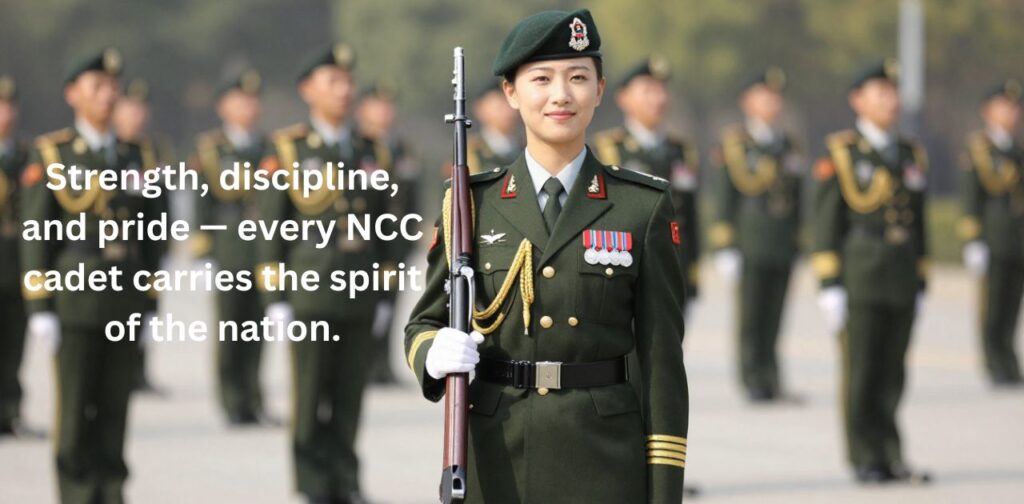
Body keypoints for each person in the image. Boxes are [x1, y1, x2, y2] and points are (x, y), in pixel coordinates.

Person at [405, 9, 689, 503]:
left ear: (599, 92)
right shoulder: (471, 205)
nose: (561, 94)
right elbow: (423, 324)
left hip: (605, 461)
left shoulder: (640, 206)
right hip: (498, 458)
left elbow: (662, 362)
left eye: (578, 78)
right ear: (511, 93)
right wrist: (434, 355)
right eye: (541, 79)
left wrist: (663, 491)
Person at [20, 47, 162, 504]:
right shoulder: (54, 154)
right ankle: (77, 492)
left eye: (112, 89)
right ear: (72, 94)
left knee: (116, 407)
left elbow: (153, 235)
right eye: (96, 88)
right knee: (77, 407)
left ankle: (111, 490)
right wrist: (41, 306)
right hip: (76, 297)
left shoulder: (138, 154)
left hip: (124, 295)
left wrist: (152, 299)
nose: (107, 96)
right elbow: (37, 236)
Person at [257, 43, 390, 504]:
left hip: (359, 292)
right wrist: (275, 298)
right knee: (311, 394)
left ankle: (345, 478)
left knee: (351, 396)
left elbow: (386, 229)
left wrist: (387, 294)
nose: (344, 90)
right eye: (333, 81)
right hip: (311, 293)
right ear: (307, 90)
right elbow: (271, 229)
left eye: (348, 81)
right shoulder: (288, 150)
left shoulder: (370, 150)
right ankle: (313, 482)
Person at [812, 59, 931, 484]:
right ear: (858, 101)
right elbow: (826, 223)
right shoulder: (841, 152)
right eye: (880, 93)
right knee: (861, 371)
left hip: (900, 275)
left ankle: (891, 452)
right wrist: (829, 284)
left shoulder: (909, 153)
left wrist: (921, 277)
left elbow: (919, 221)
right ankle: (864, 455)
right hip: (860, 277)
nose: (890, 101)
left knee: (893, 371)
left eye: (893, 93)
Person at [710, 67, 803, 402]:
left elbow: (796, 197)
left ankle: (772, 376)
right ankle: (752, 378)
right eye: (765, 96)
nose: (772, 103)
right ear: (747, 102)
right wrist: (725, 244)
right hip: (750, 237)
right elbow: (725, 195)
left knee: (776, 314)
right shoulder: (736, 144)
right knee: (751, 315)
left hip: (781, 239)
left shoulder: (787, 144)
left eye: (776, 97)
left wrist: (800, 238)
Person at [192, 69, 275, 424]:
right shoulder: (211, 149)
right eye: (240, 100)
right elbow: (202, 203)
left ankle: (254, 400)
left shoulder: (269, 147)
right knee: (230, 328)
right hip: (227, 248)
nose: (248, 106)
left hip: (261, 249)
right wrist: (203, 251)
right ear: (223, 106)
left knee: (258, 329)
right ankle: (231, 400)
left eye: (253, 100)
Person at [594, 55, 700, 313]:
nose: (658, 98)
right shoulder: (607, 150)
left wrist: (694, 273)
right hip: (626, 269)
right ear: (623, 98)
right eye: (648, 90)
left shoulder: (680, 151)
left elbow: (690, 215)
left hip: (674, 266)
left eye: (662, 89)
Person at [958, 79, 1024, 387]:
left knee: (1012, 306)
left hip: (1018, 241)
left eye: (1015, 106)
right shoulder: (980, 150)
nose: (1012, 112)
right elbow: (971, 198)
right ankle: (994, 362)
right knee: (993, 307)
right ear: (988, 111)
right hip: (993, 240)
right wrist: (973, 240)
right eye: (1005, 106)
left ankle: (1009, 361)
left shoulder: (1017, 150)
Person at [355, 78, 419, 385]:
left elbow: (412, 194)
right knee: (364, 302)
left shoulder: (401, 148)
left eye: (388, 106)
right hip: (366, 238)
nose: (384, 111)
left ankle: (383, 364)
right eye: (378, 105)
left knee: (390, 302)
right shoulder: (358, 147)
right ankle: (362, 363)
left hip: (395, 238)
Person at [112, 77, 168, 395]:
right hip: (105, 247)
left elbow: (160, 203)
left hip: (142, 246)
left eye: (141, 108)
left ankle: (139, 370)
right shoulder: (110, 152)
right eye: (130, 107)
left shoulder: (148, 152)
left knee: (145, 309)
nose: (137, 115)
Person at [0, 73, 31, 437]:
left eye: (10, 106)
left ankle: (8, 411)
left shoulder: (26, 157)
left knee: (13, 342)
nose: (5, 113)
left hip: (17, 262)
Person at [465, 78, 522, 174]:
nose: (507, 110)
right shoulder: (470, 153)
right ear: (480, 109)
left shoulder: (525, 150)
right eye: (500, 105)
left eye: (509, 103)